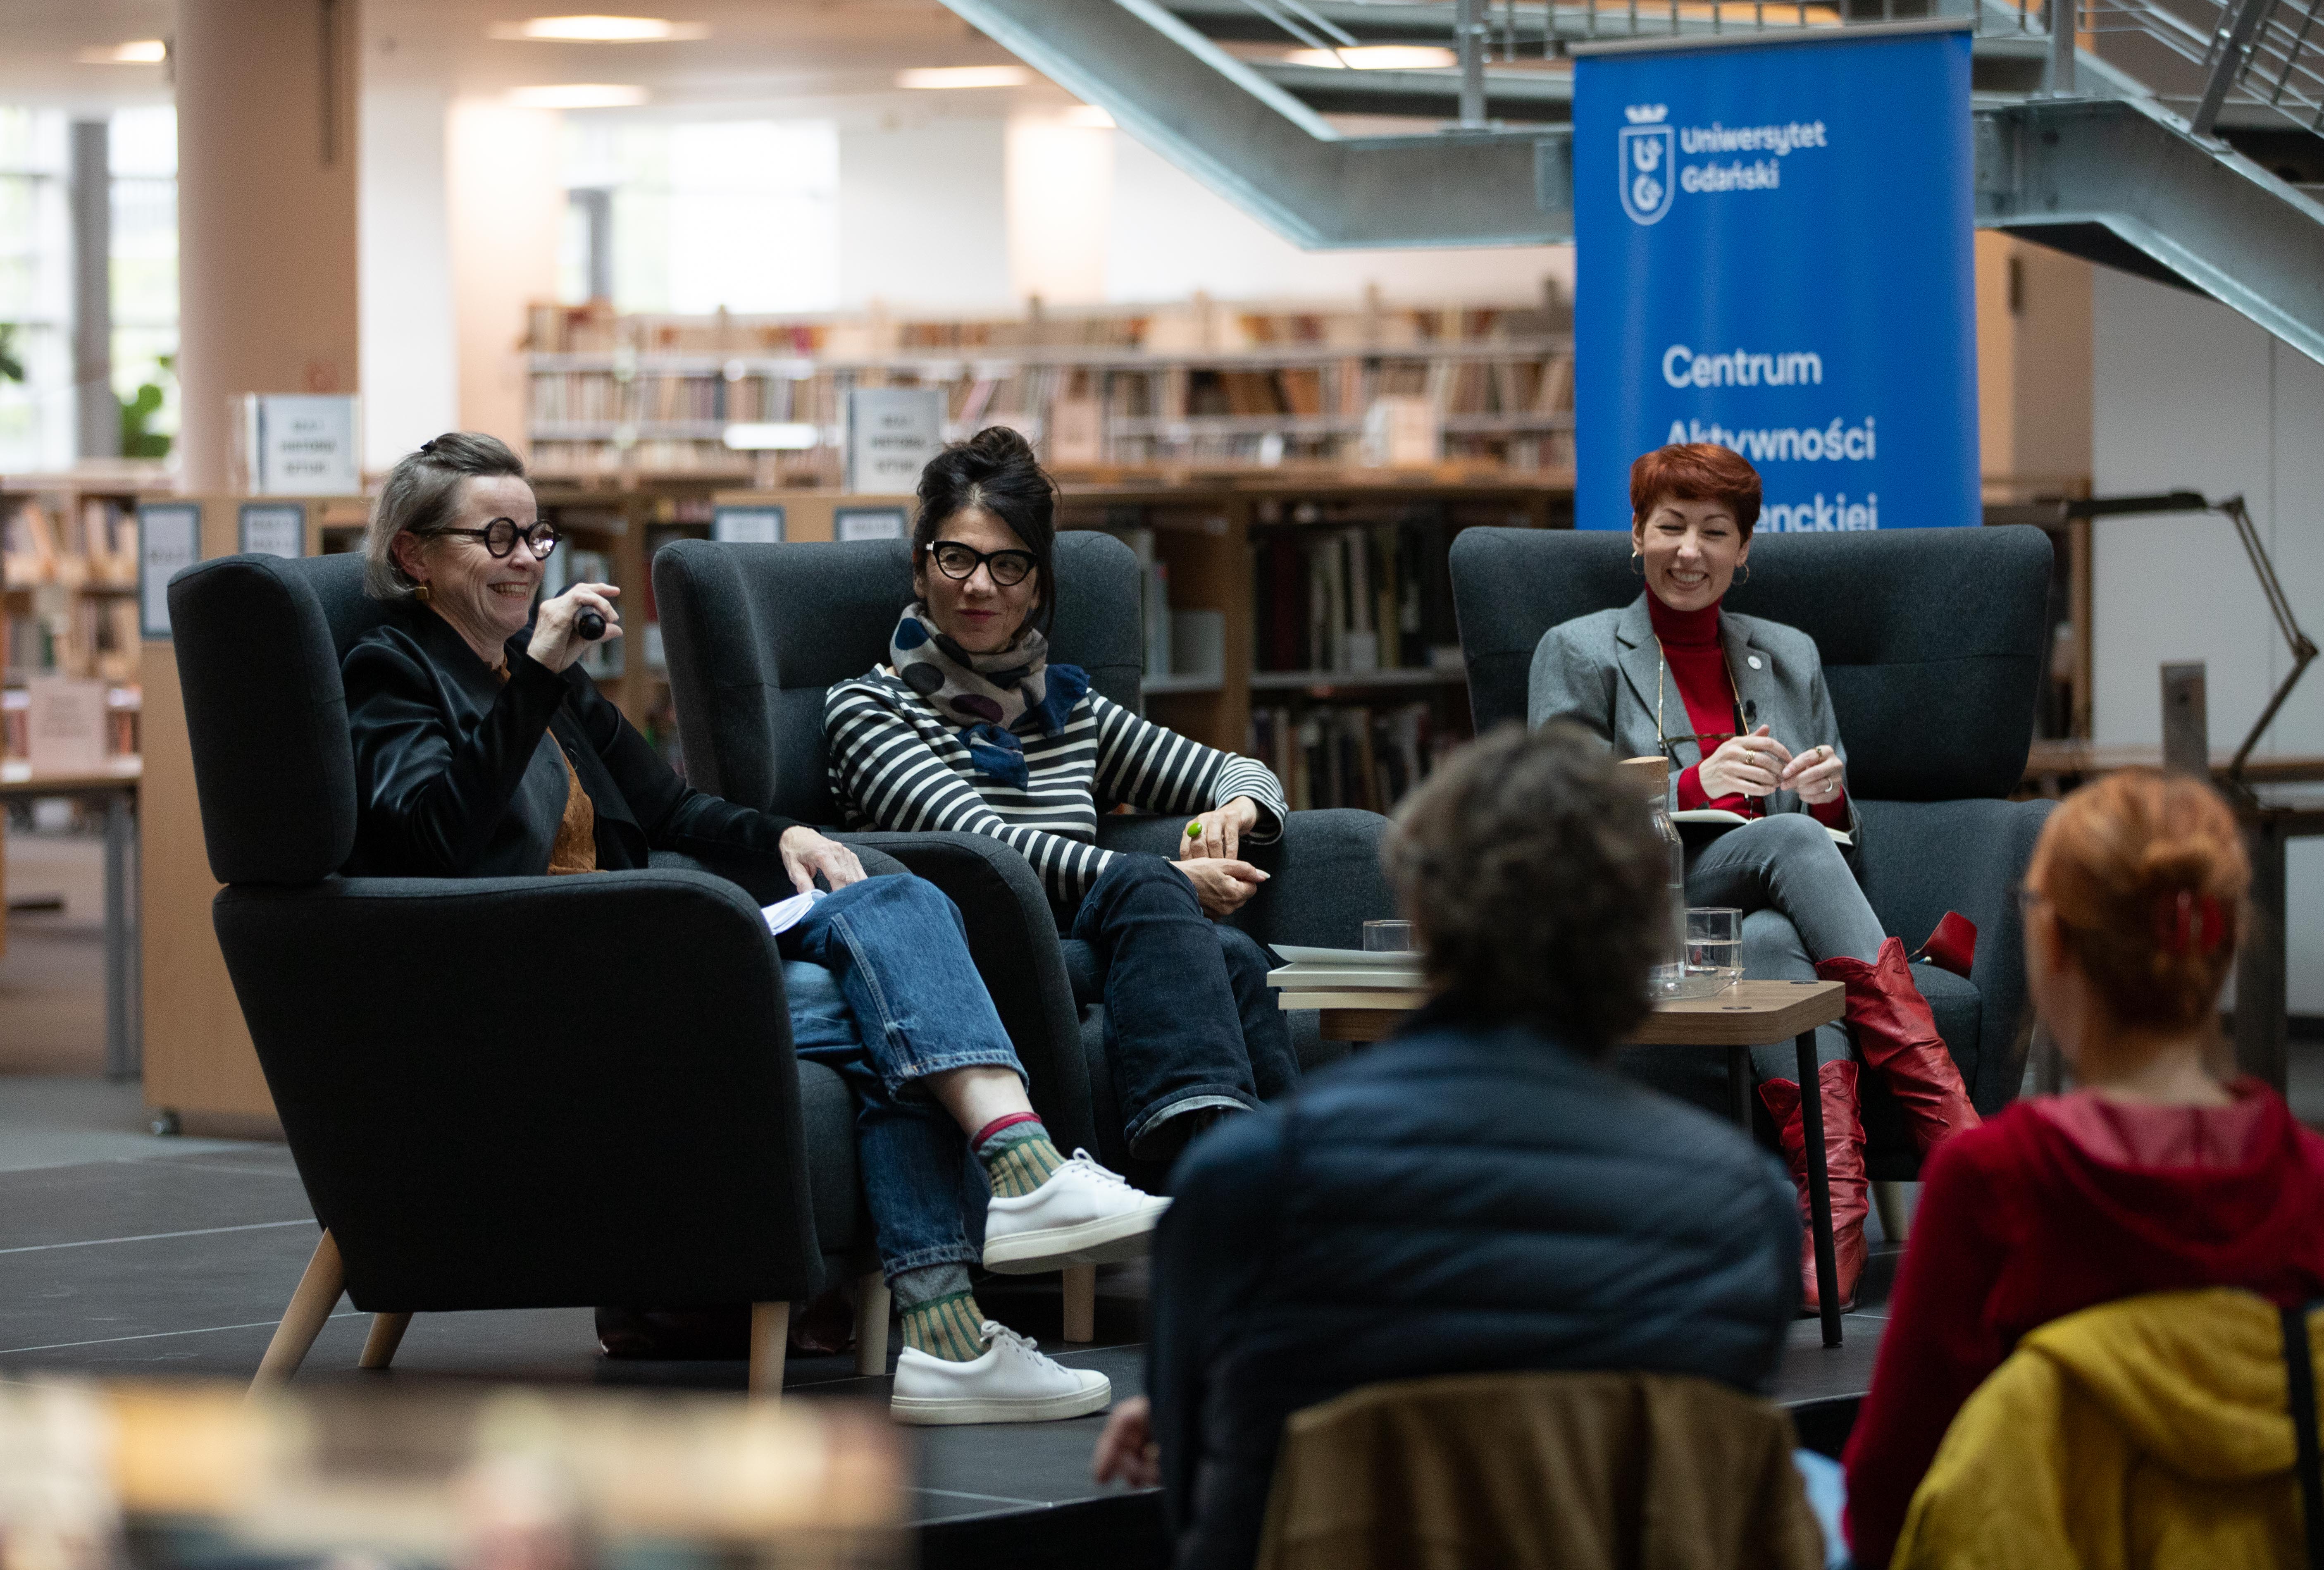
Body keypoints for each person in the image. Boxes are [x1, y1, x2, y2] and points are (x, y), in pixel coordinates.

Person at [342, 431, 1166, 1424]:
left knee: (899, 919)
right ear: (414, 555)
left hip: (622, 948)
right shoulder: (394, 671)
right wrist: (541, 675)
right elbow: (432, 836)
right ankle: (998, 1227)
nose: (526, 560)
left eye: (535, 536)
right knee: (890, 1002)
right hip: (529, 977)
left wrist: (787, 835)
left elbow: (672, 810)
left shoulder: (537, 679)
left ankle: (965, 1303)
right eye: (497, 538)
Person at [1091, 723, 1800, 1570]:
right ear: (1651, 942)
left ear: (1420, 916)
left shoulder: (1242, 1183)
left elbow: (1194, 1484)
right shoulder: (1746, 1210)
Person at [1527, 441, 1979, 1310]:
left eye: (1714, 532)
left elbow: (1837, 836)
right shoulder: (1578, 651)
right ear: (1636, 535)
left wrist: (1827, 796)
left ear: (1744, 551)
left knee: (1773, 936)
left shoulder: (1789, 654)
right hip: (1639, 906)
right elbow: (1559, 811)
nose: (1688, 551)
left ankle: (1833, 1218)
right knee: (1794, 847)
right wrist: (1693, 786)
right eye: (1669, 527)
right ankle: (1954, 1134)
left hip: (1763, 905)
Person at [1841, 768, 2324, 1568]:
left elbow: (1890, 1495)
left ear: (2053, 947)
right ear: (2221, 942)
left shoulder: (1992, 1188)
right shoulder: (2309, 1186)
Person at [824, 426, 1297, 1164]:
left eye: (1009, 564)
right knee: (1160, 897)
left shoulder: (1066, 710)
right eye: (957, 557)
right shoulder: (867, 709)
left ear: (1038, 585)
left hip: (1093, 939)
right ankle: (1197, 1157)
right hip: (968, 956)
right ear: (921, 570)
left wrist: (1237, 812)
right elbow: (982, 847)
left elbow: (1241, 771)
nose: (980, 585)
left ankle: (1281, 1185)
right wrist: (1169, 879)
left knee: (1234, 953)